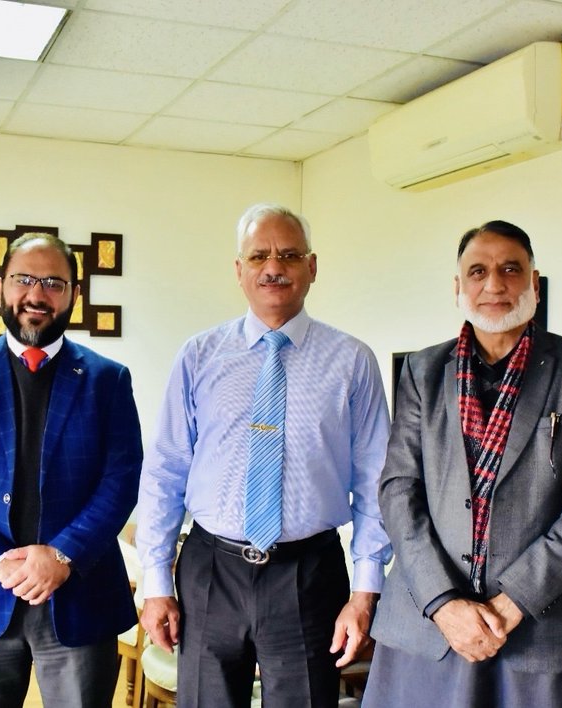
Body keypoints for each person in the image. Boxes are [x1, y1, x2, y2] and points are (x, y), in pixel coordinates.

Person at [137, 203, 392, 707]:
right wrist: (156, 582)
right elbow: (165, 470)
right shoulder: (199, 355)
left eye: (289, 255)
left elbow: (376, 481)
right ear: (239, 271)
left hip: (308, 574)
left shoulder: (351, 362)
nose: (273, 267)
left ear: (312, 267)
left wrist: (365, 593)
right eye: (259, 256)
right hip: (210, 569)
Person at [362, 220, 562, 707]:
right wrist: (444, 604)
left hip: (536, 632)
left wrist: (513, 601)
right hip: (426, 626)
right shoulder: (423, 371)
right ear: (458, 286)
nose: (494, 284)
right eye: (478, 271)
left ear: (534, 283)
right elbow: (399, 491)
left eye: (510, 269)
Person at [0, 232, 143, 708]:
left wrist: (62, 555)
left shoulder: (108, 380)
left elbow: (121, 479)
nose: (37, 295)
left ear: (74, 296)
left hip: (78, 594)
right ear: (0, 287)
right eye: (24, 279)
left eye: (54, 283)